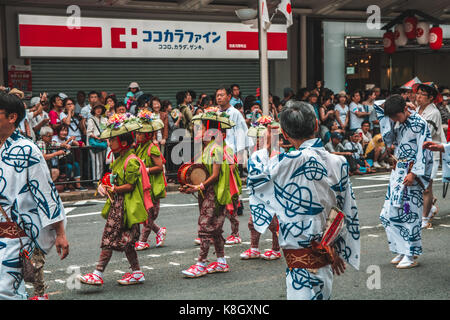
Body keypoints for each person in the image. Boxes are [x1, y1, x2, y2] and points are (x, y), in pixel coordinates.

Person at [247, 101, 360, 299]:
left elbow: (256, 177)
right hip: (326, 245)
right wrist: (335, 247)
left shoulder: (284, 163)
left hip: (298, 250)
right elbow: (345, 209)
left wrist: (269, 145)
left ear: (285, 133)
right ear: (316, 125)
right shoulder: (339, 162)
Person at [0, 92, 69, 300]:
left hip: (16, 231)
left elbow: (45, 192)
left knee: (5, 289)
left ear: (12, 117)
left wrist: (60, 233)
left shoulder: (27, 150)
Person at [78, 113, 148, 286]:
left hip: (125, 206)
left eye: (113, 140)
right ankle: (137, 272)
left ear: (123, 143)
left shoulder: (130, 161)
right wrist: (105, 185)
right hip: (120, 204)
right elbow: (113, 179)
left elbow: (129, 186)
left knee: (109, 238)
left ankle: (98, 273)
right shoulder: (120, 159)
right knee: (127, 242)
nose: (109, 143)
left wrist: (113, 188)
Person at [375, 94, 433, 269]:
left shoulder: (420, 123)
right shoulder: (397, 119)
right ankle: (401, 248)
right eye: (391, 117)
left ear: (404, 111)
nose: (393, 120)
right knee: (389, 213)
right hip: (397, 172)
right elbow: (377, 105)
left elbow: (426, 150)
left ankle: (411, 253)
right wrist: (404, 103)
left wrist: (414, 174)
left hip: (411, 174)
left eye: (396, 116)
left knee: (409, 214)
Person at [180, 108, 237, 278]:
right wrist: (190, 185)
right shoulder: (207, 148)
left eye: (203, 128)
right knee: (215, 230)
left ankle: (201, 263)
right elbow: (200, 173)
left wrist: (199, 187)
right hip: (207, 193)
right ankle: (221, 262)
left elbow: (215, 176)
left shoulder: (217, 149)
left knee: (205, 228)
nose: (200, 131)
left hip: (214, 195)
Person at [240, 117, 281, 261]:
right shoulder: (257, 152)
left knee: (273, 222)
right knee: (253, 221)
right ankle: (254, 248)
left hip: (271, 192)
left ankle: (276, 249)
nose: (258, 139)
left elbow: (273, 171)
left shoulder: (275, 150)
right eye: (257, 137)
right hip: (258, 192)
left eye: (261, 136)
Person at [216, 86, 250, 240]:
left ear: (229, 96)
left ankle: (235, 228)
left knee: (231, 186)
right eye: (217, 95)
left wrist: (240, 156)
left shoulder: (235, 113)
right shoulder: (215, 113)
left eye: (222, 95)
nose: (219, 98)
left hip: (231, 153)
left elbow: (242, 133)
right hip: (218, 152)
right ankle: (216, 230)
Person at [134, 109, 167, 251]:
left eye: (140, 133)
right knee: (144, 214)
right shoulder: (139, 148)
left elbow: (159, 167)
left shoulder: (152, 148)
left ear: (147, 135)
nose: (137, 135)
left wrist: (145, 170)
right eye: (137, 133)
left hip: (153, 186)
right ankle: (159, 231)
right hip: (143, 185)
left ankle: (143, 240)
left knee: (149, 214)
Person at [414, 83, 446, 229]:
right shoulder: (417, 109)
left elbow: (425, 134)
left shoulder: (433, 112)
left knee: (426, 186)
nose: (418, 97)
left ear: (431, 97)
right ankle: (430, 206)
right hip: (418, 154)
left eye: (422, 94)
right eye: (418, 93)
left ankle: (425, 218)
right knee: (419, 186)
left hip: (430, 154)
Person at [52, 125, 86, 191]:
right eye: (62, 131)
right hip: (57, 162)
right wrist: (69, 140)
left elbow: (76, 143)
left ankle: (78, 185)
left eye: (66, 131)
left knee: (76, 164)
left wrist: (78, 143)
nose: (64, 132)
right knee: (69, 167)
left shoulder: (67, 137)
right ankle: (65, 185)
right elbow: (60, 146)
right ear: (58, 132)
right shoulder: (54, 138)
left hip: (67, 160)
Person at [86, 104, 108, 181]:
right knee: (96, 163)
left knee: (101, 163)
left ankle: (100, 179)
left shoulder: (104, 119)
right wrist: (97, 137)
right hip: (94, 143)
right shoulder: (91, 120)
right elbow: (89, 132)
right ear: (94, 110)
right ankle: (96, 180)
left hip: (102, 142)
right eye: (97, 108)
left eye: (100, 108)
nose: (98, 110)